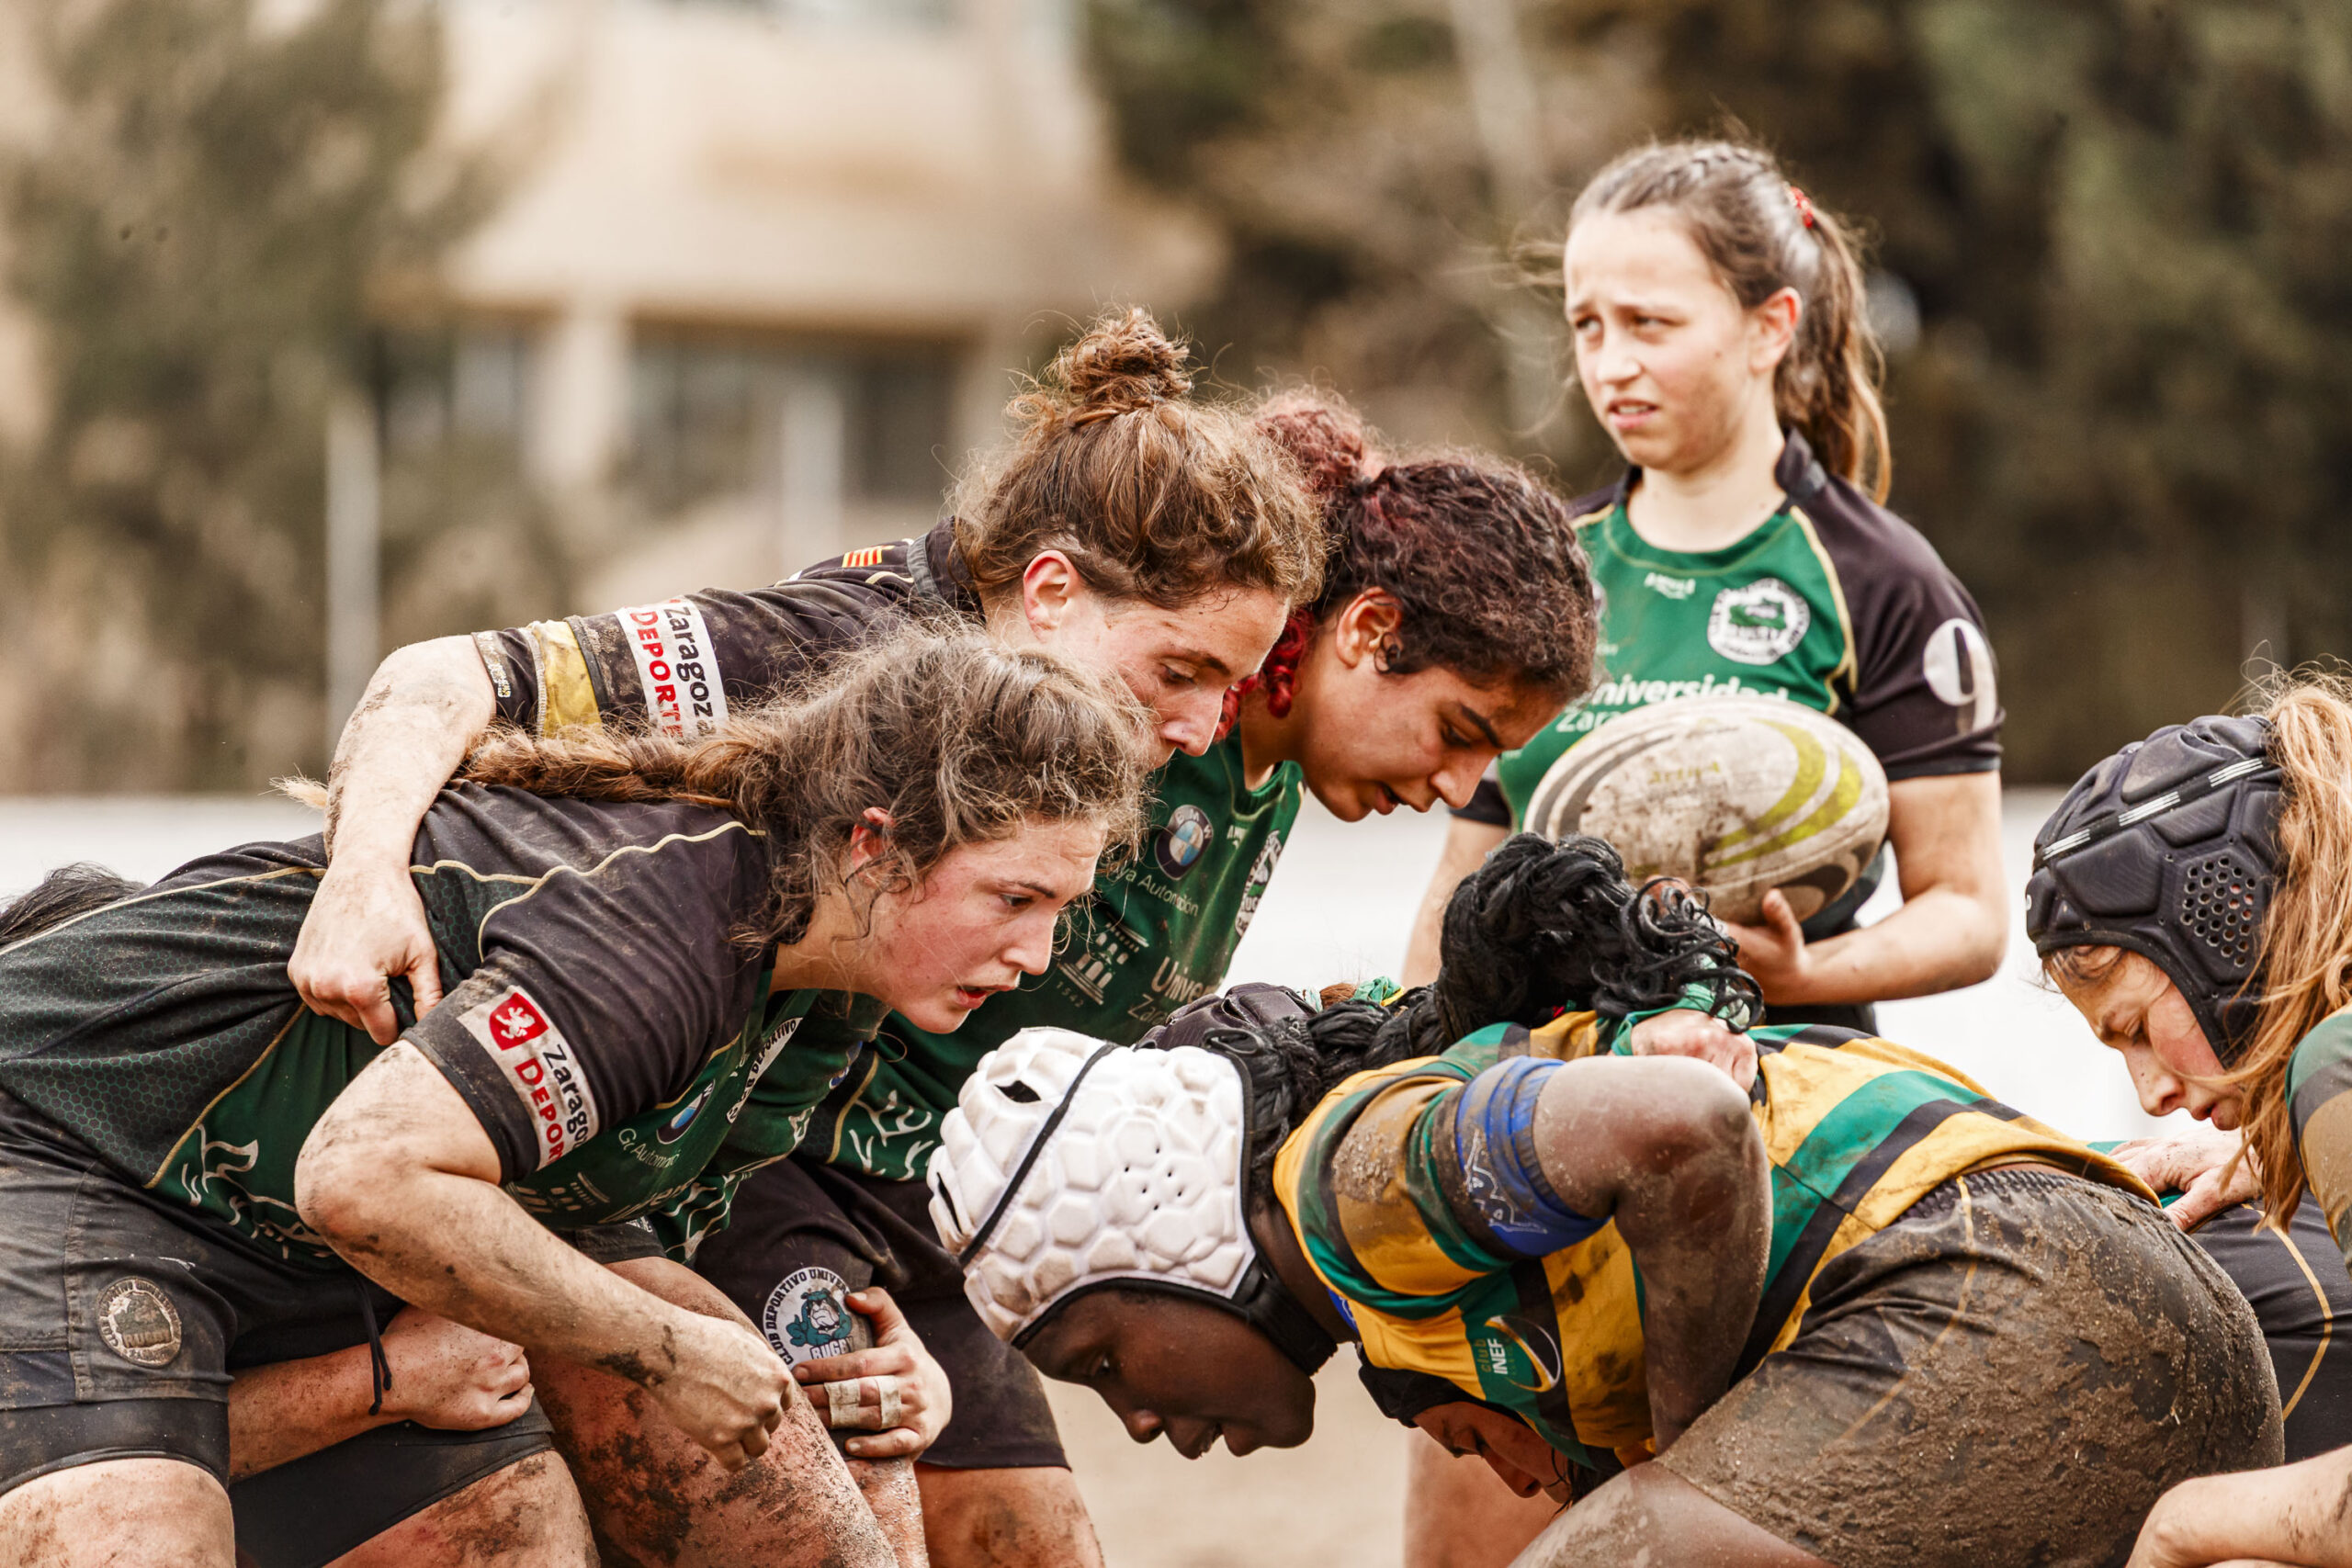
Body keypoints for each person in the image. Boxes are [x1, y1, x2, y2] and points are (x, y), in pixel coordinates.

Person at [276, 306, 1326, 1567]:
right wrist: (365, 870)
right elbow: (438, 674)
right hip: (568, 1135)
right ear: (1050, 591)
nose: (1207, 725)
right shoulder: (824, 647)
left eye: (1230, 685)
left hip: (760, 1168)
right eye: (1182, 670)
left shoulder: (1076, 749)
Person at [0, 626, 1148, 1568]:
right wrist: (666, 1349)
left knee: (558, 1525)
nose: (1039, 955)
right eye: (1014, 899)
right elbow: (367, 1177)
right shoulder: (660, 934)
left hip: (296, 1236)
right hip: (64, 1153)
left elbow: (624, 1247)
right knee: (133, 1541)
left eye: (1062, 910)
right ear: (874, 847)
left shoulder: (825, 990)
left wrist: (866, 1378)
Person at [691, 389, 1598, 1568]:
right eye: (1458, 730)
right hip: (781, 1172)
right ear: (1366, 633)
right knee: (854, 1532)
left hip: (938, 1206)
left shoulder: (1260, 767)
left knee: (1039, 1546)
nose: (1457, 784)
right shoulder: (1123, 712)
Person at [936, 833, 2281, 1568]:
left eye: (1103, 1356)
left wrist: (1689, 1443)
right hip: (2160, 1337)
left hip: (2012, 1305)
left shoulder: (1343, 1180)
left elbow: (1684, 1124)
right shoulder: (1407, 1322)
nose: (1142, 1417)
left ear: (1166, 1226)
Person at [1400, 138, 2013, 1561]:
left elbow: (1973, 911)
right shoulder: (1551, 572)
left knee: (1702, 1527)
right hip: (1537, 1115)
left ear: (1769, 325)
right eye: (1585, 324)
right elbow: (1459, 881)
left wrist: (1808, 971)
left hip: (1777, 1131)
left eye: (1652, 323)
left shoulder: (1882, 583)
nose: (1611, 362)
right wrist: (1416, 1056)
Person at [2027, 671, 2352, 1566]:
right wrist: (2277, 1151)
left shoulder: (2336, 1062)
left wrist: (2183, 1524)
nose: (2150, 1093)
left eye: (2134, 1028)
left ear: (2223, 924)